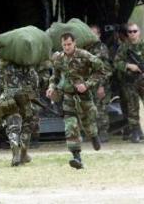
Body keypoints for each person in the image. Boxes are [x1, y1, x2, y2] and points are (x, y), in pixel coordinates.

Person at [46, 33, 111, 170]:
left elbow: (101, 70)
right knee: (71, 127)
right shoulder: (58, 59)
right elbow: (55, 77)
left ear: (74, 43)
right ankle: (76, 157)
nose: (67, 47)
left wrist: (87, 84)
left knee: (89, 123)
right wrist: (51, 87)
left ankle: (93, 135)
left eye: (69, 44)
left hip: (84, 96)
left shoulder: (85, 55)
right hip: (68, 97)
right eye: (64, 45)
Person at [0, 46, 39, 167]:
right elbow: (35, 80)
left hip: (8, 98)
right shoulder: (24, 64)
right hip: (24, 97)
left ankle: (15, 155)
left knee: (13, 127)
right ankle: (24, 153)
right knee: (27, 125)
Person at [86, 25, 112, 143]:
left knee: (101, 109)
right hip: (89, 84)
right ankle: (92, 134)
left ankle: (103, 133)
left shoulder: (101, 48)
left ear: (99, 35)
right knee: (90, 109)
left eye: (94, 34)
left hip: (100, 84)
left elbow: (105, 69)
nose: (92, 36)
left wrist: (101, 85)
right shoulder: (86, 48)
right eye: (90, 34)